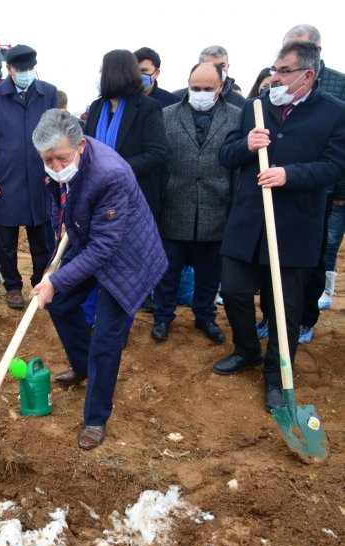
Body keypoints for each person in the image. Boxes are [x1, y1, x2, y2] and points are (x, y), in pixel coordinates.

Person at [214, 41, 345, 410]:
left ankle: (276, 373)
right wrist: (246, 146)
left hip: (295, 227)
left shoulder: (335, 114)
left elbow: (336, 167)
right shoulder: (256, 108)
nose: (274, 77)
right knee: (235, 291)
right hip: (248, 222)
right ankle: (246, 350)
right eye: (273, 68)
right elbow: (226, 154)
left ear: (307, 74)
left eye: (283, 71)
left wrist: (290, 174)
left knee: (284, 307)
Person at [30, 109, 167, 449]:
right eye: (49, 160)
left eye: (62, 158)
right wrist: (61, 222)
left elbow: (107, 247)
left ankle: (95, 418)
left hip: (128, 256)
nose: (57, 166)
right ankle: (82, 365)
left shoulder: (111, 174)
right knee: (60, 304)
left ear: (79, 145)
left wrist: (55, 281)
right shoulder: (55, 160)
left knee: (106, 338)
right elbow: (58, 199)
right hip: (90, 239)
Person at [151, 62, 240, 342]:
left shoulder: (238, 117)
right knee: (168, 270)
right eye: (195, 88)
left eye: (207, 89)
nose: (200, 93)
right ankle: (163, 316)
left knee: (209, 272)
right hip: (175, 206)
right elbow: (159, 164)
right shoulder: (166, 116)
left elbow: (238, 167)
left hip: (217, 208)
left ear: (221, 87)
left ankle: (205, 316)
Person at [84, 49, 168, 315]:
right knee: (99, 256)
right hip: (98, 198)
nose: (99, 75)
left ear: (113, 73)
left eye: (102, 70)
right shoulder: (97, 107)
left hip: (133, 198)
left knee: (125, 265)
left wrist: (115, 171)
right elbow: (86, 149)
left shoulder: (147, 107)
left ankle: (118, 325)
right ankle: (92, 316)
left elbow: (158, 152)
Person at [0, 44, 58, 309]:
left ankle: (40, 283)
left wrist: (54, 169)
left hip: (40, 178)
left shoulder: (48, 93)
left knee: (41, 240)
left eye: (30, 68)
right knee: (6, 241)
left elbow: (55, 135)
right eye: (20, 69)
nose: (26, 73)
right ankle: (12, 287)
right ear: (9, 69)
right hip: (6, 178)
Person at [281, 24, 345, 337]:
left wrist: (340, 192)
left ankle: (305, 318)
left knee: (313, 257)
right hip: (278, 186)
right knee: (277, 259)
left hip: (319, 192)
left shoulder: (338, 84)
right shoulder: (278, 86)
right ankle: (273, 317)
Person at [174, 46, 246, 109]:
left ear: (228, 67)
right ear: (200, 67)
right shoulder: (177, 98)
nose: (218, 70)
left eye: (222, 65)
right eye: (211, 65)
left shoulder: (241, 103)